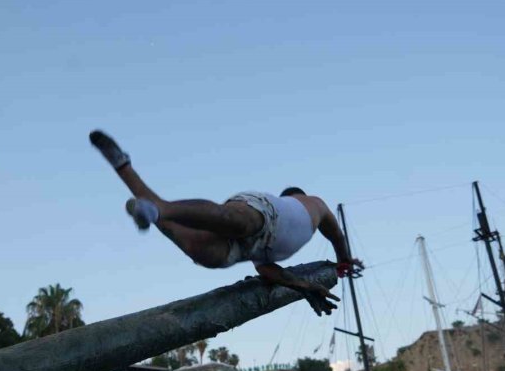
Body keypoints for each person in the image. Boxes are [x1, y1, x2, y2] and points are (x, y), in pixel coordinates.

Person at [89, 130, 363, 316]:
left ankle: (135, 185)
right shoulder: (312, 203)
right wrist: (344, 262)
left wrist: (305, 288)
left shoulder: (267, 256)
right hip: (265, 214)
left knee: (202, 252)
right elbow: (337, 236)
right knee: (232, 220)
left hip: (248, 250)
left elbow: (270, 272)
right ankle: (155, 204)